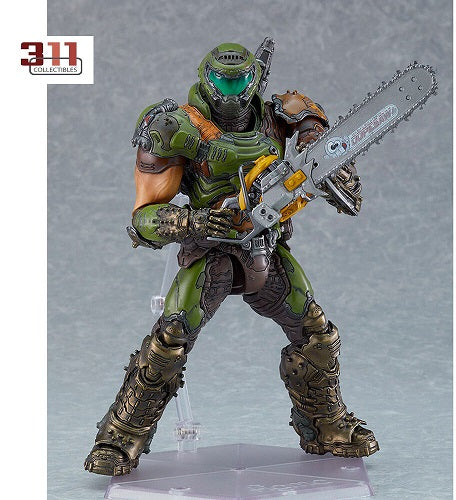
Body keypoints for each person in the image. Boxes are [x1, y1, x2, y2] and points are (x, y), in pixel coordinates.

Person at [84, 40, 378, 477]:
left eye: (240, 83)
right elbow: (143, 220)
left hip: (265, 249)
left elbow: (319, 133)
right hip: (211, 252)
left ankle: (326, 425)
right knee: (169, 339)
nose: (232, 93)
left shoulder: (280, 115)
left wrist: (326, 159)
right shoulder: (175, 127)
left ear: (255, 79)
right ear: (206, 80)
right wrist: (194, 221)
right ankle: (120, 436)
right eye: (223, 83)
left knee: (316, 334)